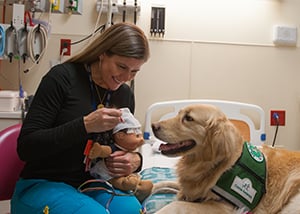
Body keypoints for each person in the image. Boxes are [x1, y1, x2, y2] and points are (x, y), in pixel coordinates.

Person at [11, 22, 150, 214]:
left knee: (132, 211)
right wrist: (85, 125)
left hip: (92, 183)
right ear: (103, 53)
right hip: (42, 183)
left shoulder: (123, 94)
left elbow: (120, 144)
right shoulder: (62, 78)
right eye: (122, 66)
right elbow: (26, 148)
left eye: (134, 71)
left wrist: (135, 159)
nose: (126, 77)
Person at [88, 107, 153, 203]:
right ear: (120, 136)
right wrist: (99, 150)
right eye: (137, 136)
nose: (141, 139)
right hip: (110, 176)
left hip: (128, 173)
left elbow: (136, 158)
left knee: (137, 181)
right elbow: (106, 151)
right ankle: (125, 184)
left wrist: (137, 159)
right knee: (120, 182)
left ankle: (138, 188)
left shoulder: (124, 95)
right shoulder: (114, 147)